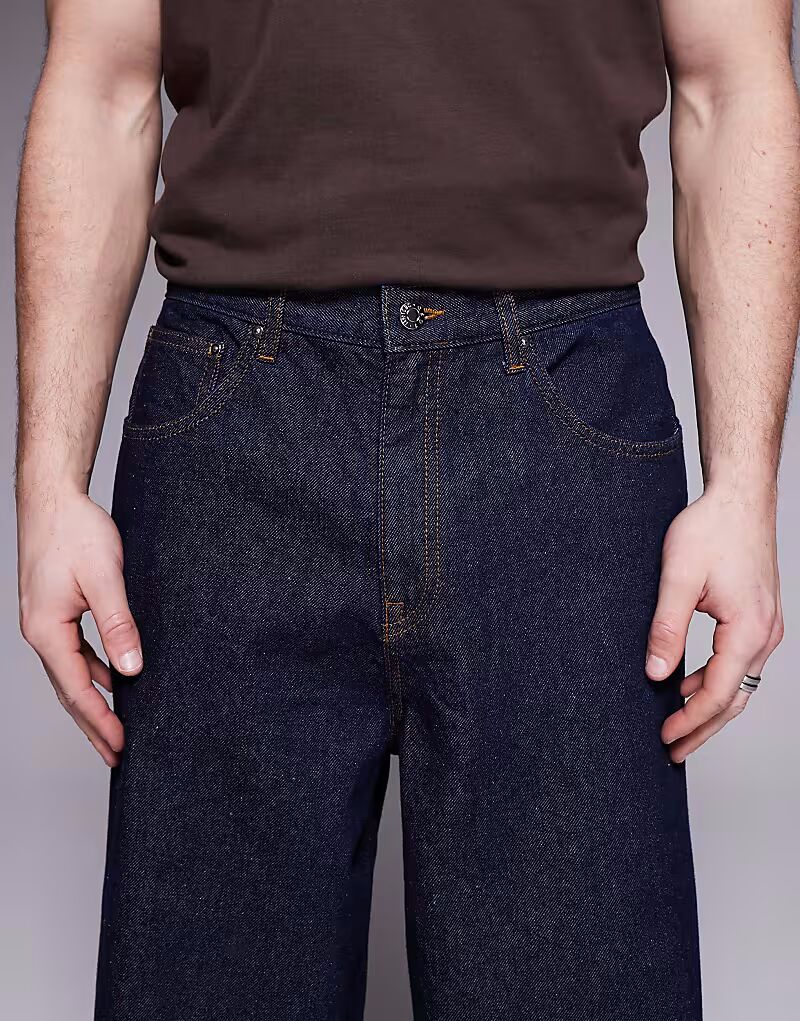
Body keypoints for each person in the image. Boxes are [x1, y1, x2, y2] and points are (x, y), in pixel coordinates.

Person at [14, 0, 799, 1018]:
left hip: (561, 424)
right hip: (236, 423)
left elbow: (731, 81)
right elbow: (101, 81)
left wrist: (743, 491)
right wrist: (47, 485)